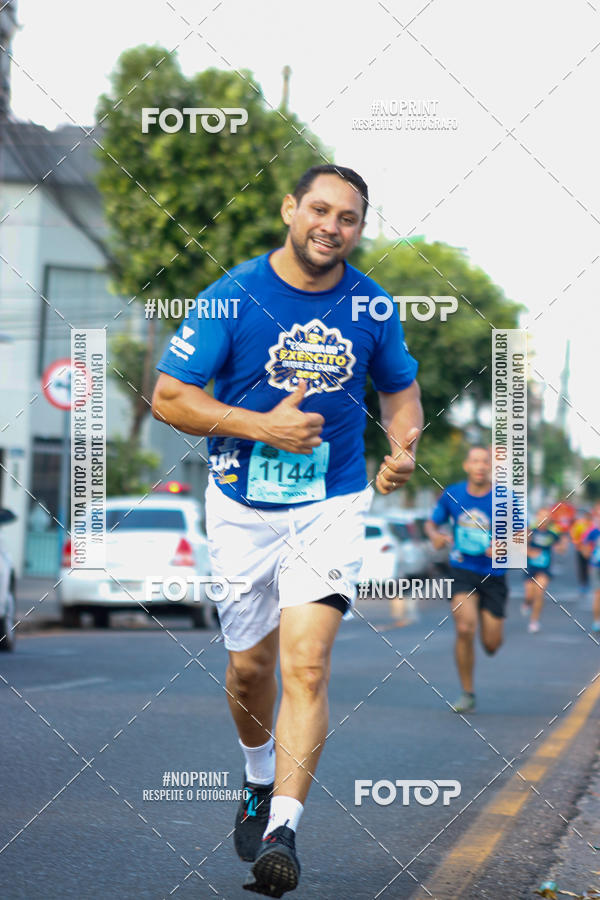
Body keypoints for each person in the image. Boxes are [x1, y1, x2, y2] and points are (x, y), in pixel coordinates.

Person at [152, 164, 423, 897]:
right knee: (250, 671)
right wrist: (259, 425)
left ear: (359, 230)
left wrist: (403, 448)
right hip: (241, 504)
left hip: (330, 503)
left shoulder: (372, 307)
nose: (332, 226)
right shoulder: (231, 298)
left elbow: (400, 390)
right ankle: (255, 777)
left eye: (349, 217)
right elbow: (170, 398)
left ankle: (283, 830)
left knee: (306, 666)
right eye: (321, 209)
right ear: (290, 210)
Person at [424, 446, 506, 714]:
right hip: (462, 570)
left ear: (491, 467)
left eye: (485, 461)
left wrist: (503, 546)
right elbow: (431, 523)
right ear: (467, 465)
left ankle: (487, 623)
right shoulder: (453, 494)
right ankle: (467, 693)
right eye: (475, 461)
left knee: (491, 645)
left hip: (494, 575)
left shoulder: (504, 497)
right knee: (464, 629)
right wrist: (435, 535)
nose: (480, 466)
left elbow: (523, 533)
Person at [522, 508, 566, 633]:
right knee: (529, 594)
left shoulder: (552, 533)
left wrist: (561, 547)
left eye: (546, 517)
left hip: (544, 568)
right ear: (537, 517)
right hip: (530, 567)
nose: (544, 520)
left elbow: (561, 546)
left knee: (539, 592)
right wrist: (529, 552)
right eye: (541, 517)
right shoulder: (531, 531)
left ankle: (534, 621)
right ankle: (527, 603)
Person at [580, 520, 600, 632]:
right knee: (597, 595)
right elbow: (585, 545)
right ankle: (597, 621)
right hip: (597, 566)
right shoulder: (594, 532)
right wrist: (587, 555)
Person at [570, 509, 593, 597]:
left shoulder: (592, 525)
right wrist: (579, 545)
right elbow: (574, 535)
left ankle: (587, 583)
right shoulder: (579, 525)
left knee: (589, 567)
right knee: (581, 567)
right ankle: (583, 584)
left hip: (590, 550)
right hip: (580, 549)